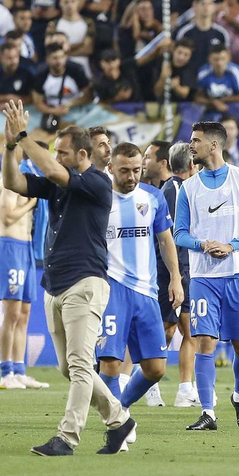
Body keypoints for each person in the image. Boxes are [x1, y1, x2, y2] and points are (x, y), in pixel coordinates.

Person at [0, 106, 134, 456]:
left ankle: (67, 438)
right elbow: (14, 182)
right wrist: (11, 147)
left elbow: (51, 169)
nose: (58, 157)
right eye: (56, 151)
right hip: (55, 285)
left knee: (78, 366)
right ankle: (119, 419)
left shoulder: (96, 183)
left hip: (85, 283)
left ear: (83, 155)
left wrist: (25, 137)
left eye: (64, 152)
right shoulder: (61, 184)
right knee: (71, 368)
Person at [172, 120, 239, 432]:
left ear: (213, 145)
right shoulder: (188, 187)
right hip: (203, 278)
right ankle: (207, 412)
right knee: (204, 344)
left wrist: (231, 246)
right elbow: (179, 234)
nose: (191, 145)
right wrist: (202, 244)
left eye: (196, 140)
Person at [97, 143, 184, 420]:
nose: (132, 176)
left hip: (146, 291)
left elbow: (165, 239)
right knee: (110, 363)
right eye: (124, 171)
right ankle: (115, 424)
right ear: (111, 168)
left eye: (136, 170)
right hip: (111, 288)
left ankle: (119, 408)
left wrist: (175, 278)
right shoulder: (99, 198)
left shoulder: (153, 197)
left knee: (156, 368)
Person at [0, 158, 50, 391]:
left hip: (25, 249)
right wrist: (31, 203)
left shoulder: (23, 185)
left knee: (24, 313)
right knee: (12, 312)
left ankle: (20, 370)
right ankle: (6, 372)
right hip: (9, 248)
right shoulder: (6, 184)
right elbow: (7, 217)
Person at [160, 142, 200, 408]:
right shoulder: (177, 190)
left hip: (176, 269)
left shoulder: (170, 188)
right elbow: (172, 237)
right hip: (176, 270)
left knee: (177, 329)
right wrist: (177, 274)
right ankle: (183, 389)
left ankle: (184, 388)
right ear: (191, 165)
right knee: (183, 330)